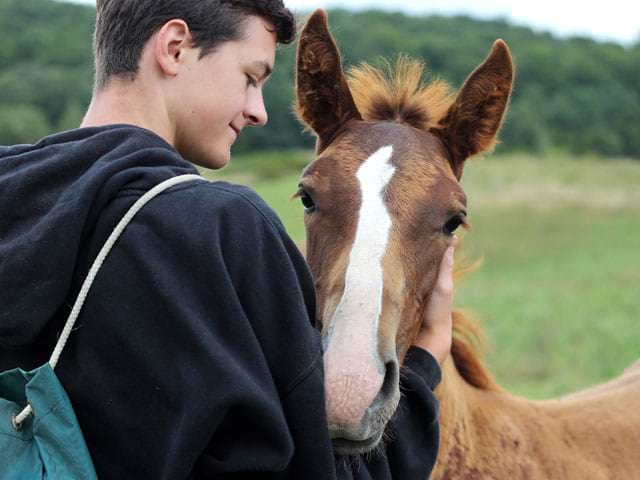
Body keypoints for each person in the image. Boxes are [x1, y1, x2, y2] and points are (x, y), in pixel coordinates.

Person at [0, 1, 455, 478]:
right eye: (251, 77)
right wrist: (424, 362)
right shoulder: (225, 232)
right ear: (174, 49)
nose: (258, 111)